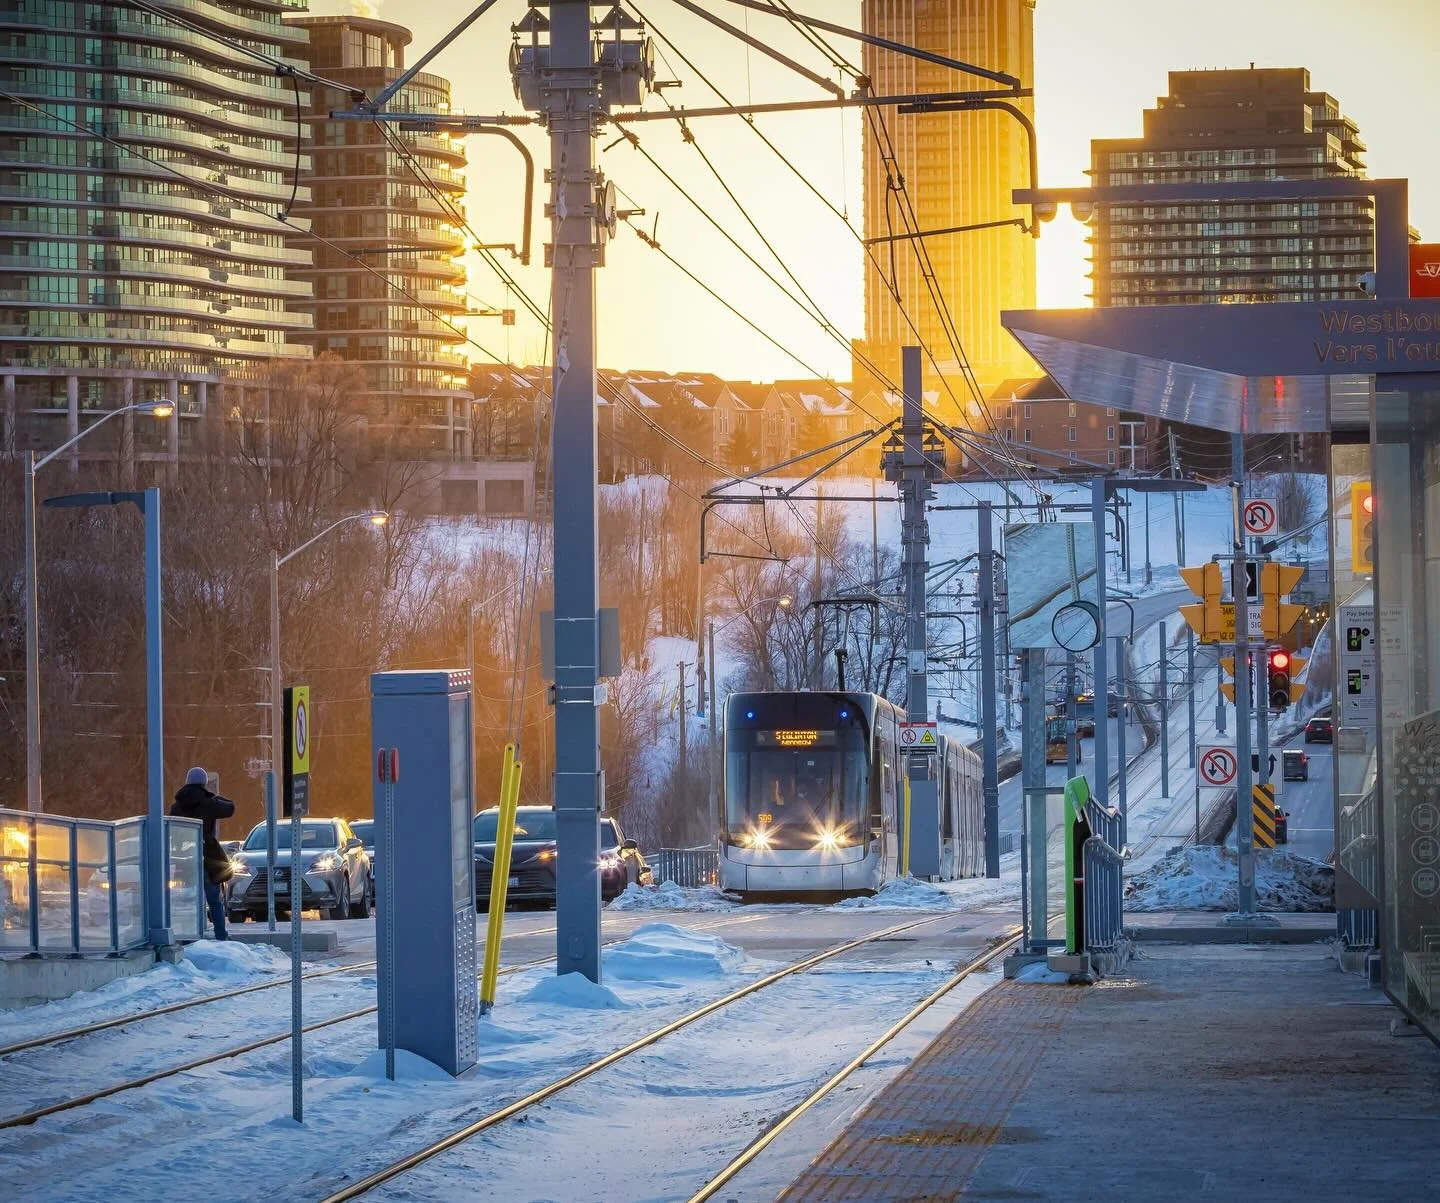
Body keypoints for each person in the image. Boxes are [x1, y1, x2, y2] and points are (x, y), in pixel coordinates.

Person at [171, 767, 236, 941]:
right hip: (207, 856)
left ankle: (190, 934)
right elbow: (230, 808)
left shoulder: (176, 806)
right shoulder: (209, 803)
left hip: (184, 859)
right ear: (204, 782)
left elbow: (173, 832)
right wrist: (214, 796)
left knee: (190, 899)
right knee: (214, 899)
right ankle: (220, 934)